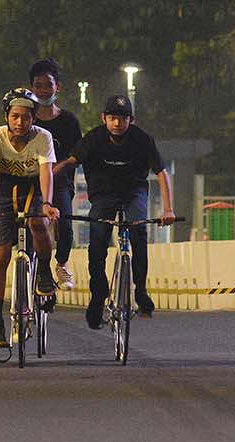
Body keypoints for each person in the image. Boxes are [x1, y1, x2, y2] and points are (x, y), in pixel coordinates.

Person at [52, 94, 175, 329]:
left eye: (123, 118)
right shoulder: (94, 138)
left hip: (133, 194)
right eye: (112, 118)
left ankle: (141, 291)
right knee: (97, 240)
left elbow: (161, 173)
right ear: (104, 119)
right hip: (103, 195)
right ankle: (98, 297)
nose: (117, 123)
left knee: (138, 233)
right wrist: (47, 178)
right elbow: (70, 161)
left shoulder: (142, 140)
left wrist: (168, 209)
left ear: (132, 120)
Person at [0, 87, 61, 348]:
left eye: (26, 117)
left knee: (38, 223)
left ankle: (45, 271)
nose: (20, 122)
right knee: (1, 255)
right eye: (15, 116)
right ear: (6, 116)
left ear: (33, 118)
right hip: (4, 189)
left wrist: (47, 204)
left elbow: (46, 171)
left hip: (34, 188)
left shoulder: (43, 138)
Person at [28, 59, 82, 290]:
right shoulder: (26, 119)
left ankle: (61, 263)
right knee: (31, 225)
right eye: (38, 85)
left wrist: (51, 170)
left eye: (47, 85)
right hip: (30, 184)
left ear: (57, 87)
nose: (42, 91)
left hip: (60, 184)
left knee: (65, 224)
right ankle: (39, 269)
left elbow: (76, 156)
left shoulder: (68, 121)